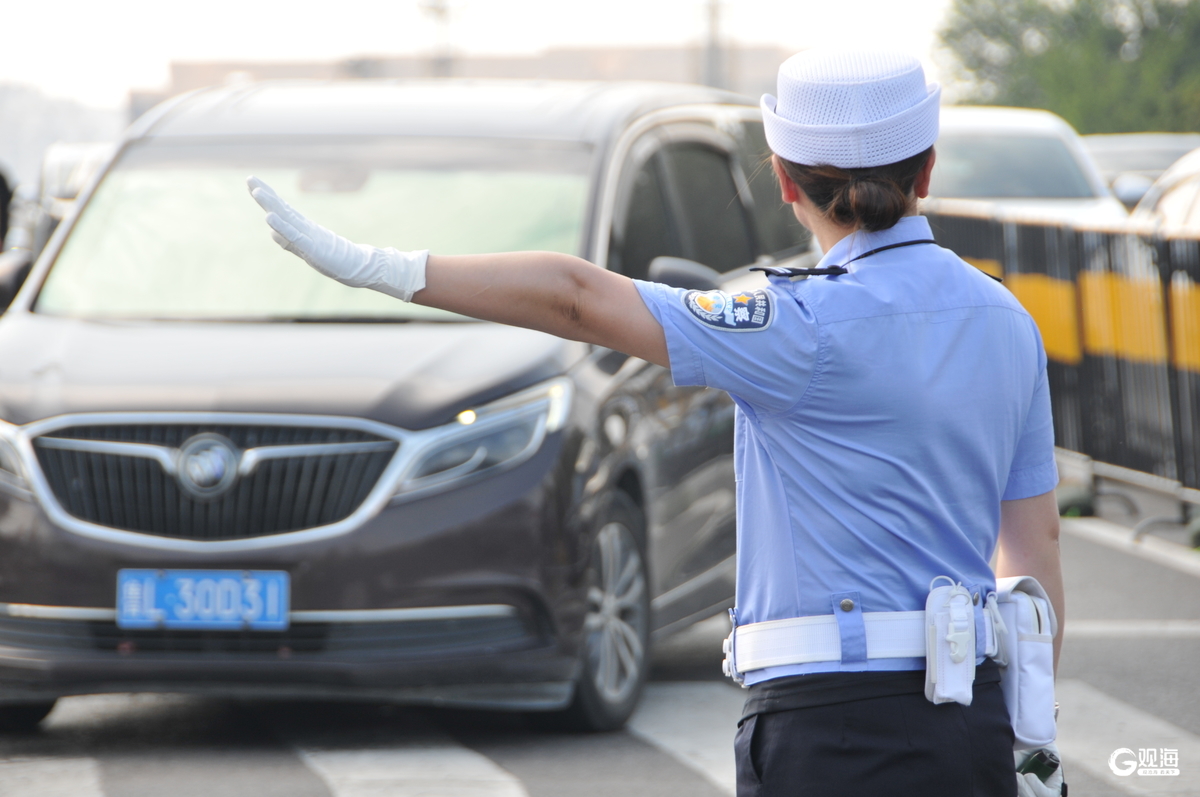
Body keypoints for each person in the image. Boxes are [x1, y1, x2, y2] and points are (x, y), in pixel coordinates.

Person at [248, 49, 1065, 797]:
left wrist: (381, 268)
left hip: (832, 728)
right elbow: (1034, 554)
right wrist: (1029, 739)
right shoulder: (1008, 321)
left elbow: (576, 297)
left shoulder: (797, 324)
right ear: (928, 166)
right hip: (977, 722)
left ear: (786, 182)